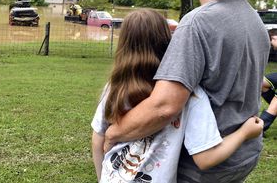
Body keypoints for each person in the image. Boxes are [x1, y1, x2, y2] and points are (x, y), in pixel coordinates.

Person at [103, 0, 269, 182]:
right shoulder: (253, 19)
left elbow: (164, 106)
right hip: (242, 154)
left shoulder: (198, 23)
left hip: (203, 165)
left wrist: (115, 132)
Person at [91, 9, 263, 182]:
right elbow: (205, 158)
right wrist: (244, 133)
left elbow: (98, 139)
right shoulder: (190, 94)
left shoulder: (114, 88)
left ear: (123, 45)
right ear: (169, 41)